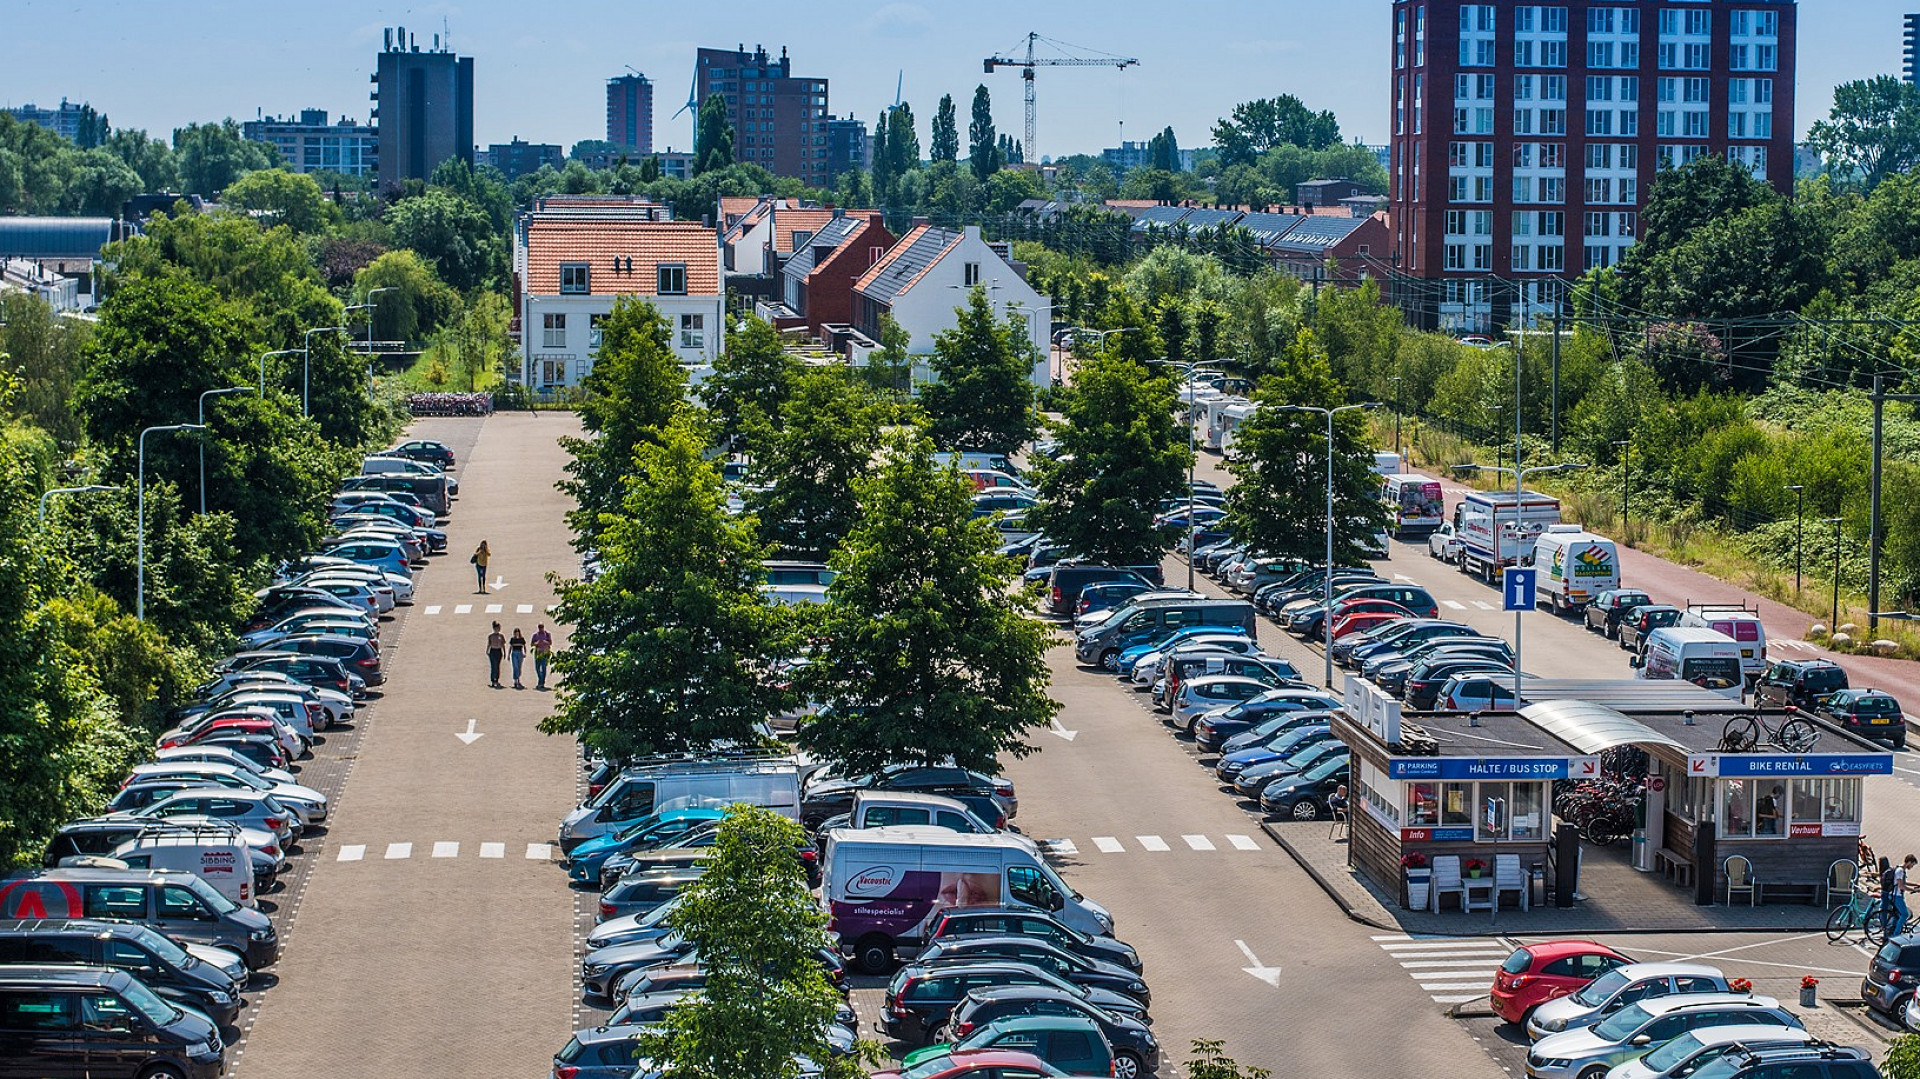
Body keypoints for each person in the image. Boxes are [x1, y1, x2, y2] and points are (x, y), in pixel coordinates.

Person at [531, 624, 553, 690]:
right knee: (537, 668)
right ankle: (540, 679)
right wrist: (537, 643)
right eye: (539, 627)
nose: (541, 628)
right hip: (538, 653)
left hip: (545, 653)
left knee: (543, 668)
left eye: (542, 627)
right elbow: (532, 644)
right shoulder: (535, 635)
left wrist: (544, 642)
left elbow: (550, 642)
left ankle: (541, 682)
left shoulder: (547, 634)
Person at [485, 622, 506, 689]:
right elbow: (489, 644)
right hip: (493, 651)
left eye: (499, 628)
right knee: (493, 666)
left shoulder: (501, 636)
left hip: (498, 651)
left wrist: (504, 652)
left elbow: (503, 645)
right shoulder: (491, 636)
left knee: (497, 666)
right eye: (497, 628)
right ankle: (492, 680)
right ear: (494, 628)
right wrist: (487, 650)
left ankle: (496, 679)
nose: (498, 629)